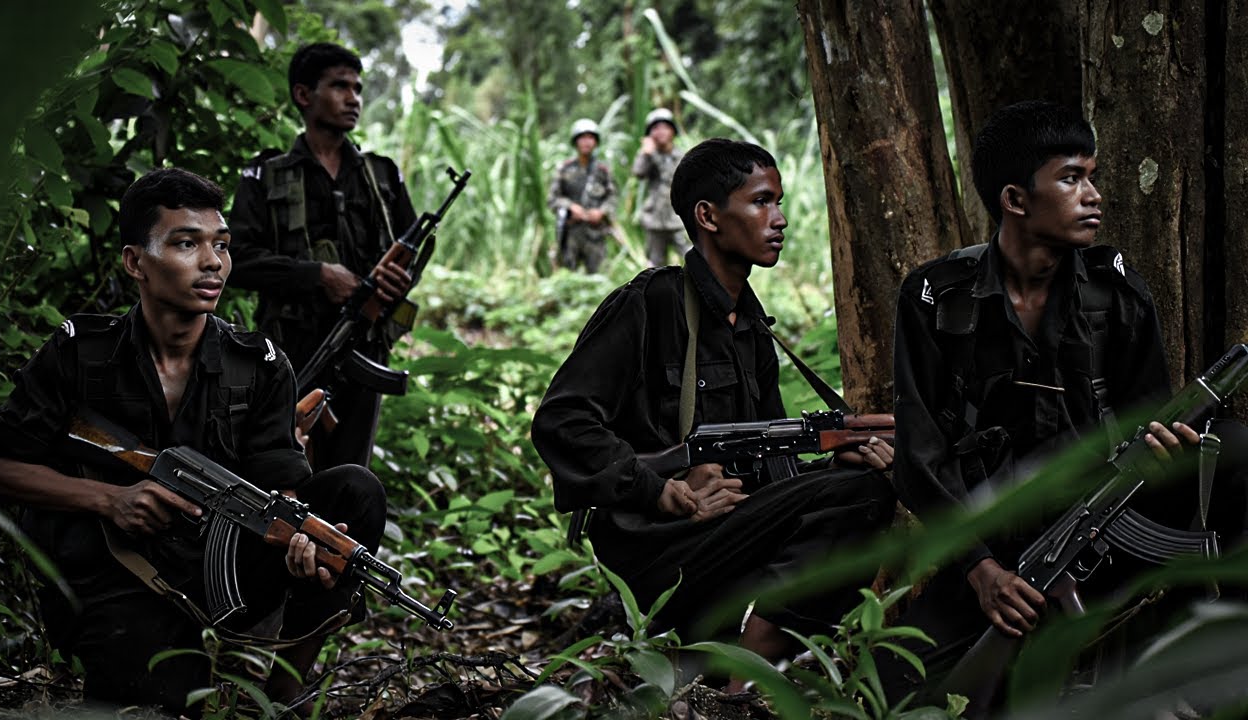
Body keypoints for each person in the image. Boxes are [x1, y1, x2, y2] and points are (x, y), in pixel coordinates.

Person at [0, 169, 387, 713]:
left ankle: (287, 687)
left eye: (221, 245)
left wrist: (303, 540)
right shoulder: (81, 354)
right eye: (186, 243)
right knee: (168, 704)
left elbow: (284, 486)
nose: (213, 263)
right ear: (135, 262)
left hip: (222, 567)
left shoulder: (256, 364)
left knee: (355, 492)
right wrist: (111, 500)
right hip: (116, 576)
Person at [889, 100, 1248, 709]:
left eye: (1093, 175)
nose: (1094, 195)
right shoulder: (937, 298)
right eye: (1071, 177)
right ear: (1015, 198)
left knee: (1235, 448)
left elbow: (1149, 416)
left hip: (1108, 524)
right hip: (993, 547)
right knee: (895, 689)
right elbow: (919, 458)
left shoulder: (1115, 289)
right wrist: (982, 572)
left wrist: (1163, 452)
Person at [532, 138, 896, 686]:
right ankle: (743, 682)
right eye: (761, 202)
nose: (780, 219)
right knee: (857, 495)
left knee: (864, 488)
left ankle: (735, 661)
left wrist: (833, 464)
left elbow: (775, 472)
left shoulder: (751, 328)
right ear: (708, 216)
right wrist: (663, 488)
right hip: (657, 547)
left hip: (729, 535)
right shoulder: (651, 303)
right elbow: (561, 423)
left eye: (778, 203)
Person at [227, 41, 417, 471]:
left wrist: (398, 282)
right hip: (291, 345)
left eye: (358, 88)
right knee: (286, 462)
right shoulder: (265, 173)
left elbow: (411, 247)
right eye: (339, 86)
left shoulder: (381, 174)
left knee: (351, 467)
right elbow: (236, 257)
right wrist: (316, 276)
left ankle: (344, 537)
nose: (354, 98)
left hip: (365, 342)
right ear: (303, 95)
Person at [548, 118, 618, 273]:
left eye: (590, 137)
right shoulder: (564, 169)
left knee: (598, 277)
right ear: (575, 141)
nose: (586, 142)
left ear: (596, 142)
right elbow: (552, 199)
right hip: (571, 233)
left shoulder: (603, 170)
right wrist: (571, 207)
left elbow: (612, 197)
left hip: (596, 234)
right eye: (582, 137)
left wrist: (602, 212)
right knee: (568, 276)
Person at [631, 107, 688, 267]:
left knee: (692, 258)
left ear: (673, 131)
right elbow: (638, 172)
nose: (661, 131)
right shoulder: (648, 155)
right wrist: (646, 152)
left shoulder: (683, 156)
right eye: (656, 128)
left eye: (665, 127)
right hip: (655, 220)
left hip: (678, 219)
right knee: (655, 267)